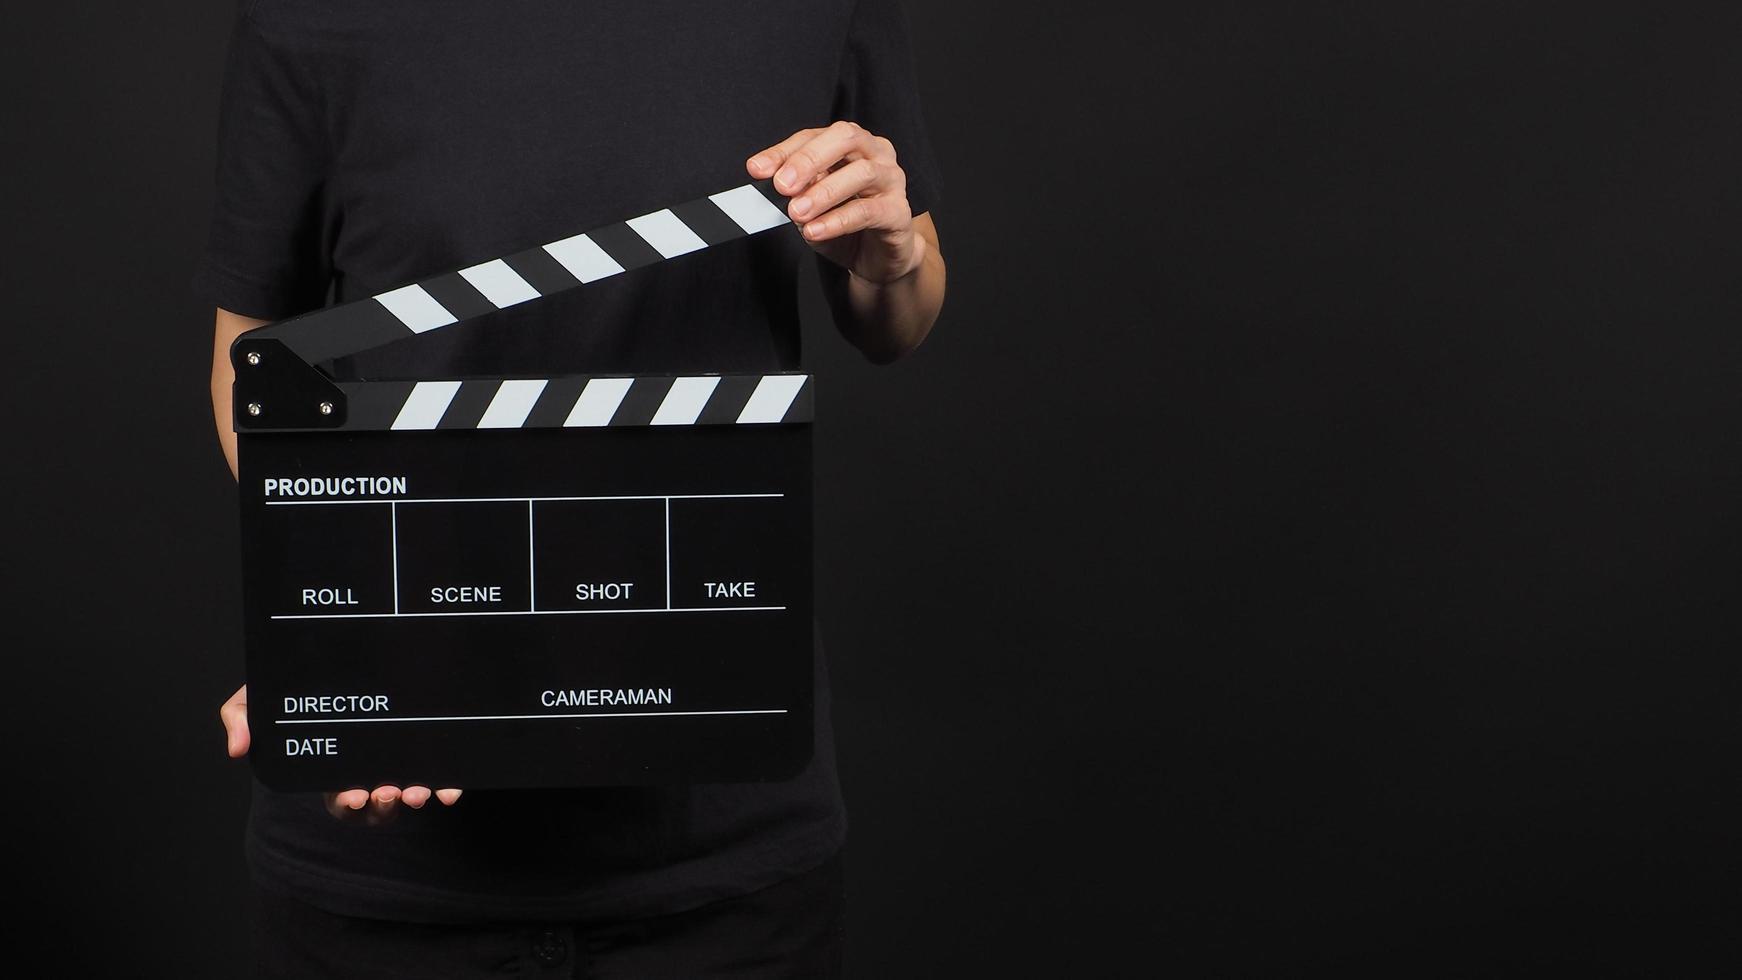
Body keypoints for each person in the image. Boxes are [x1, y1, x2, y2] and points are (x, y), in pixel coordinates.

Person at [191, 1, 946, 975]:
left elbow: (896, 314)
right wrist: (341, 635)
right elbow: (247, 364)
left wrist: (894, 255)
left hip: (724, 838)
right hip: (394, 848)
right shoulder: (307, 18)